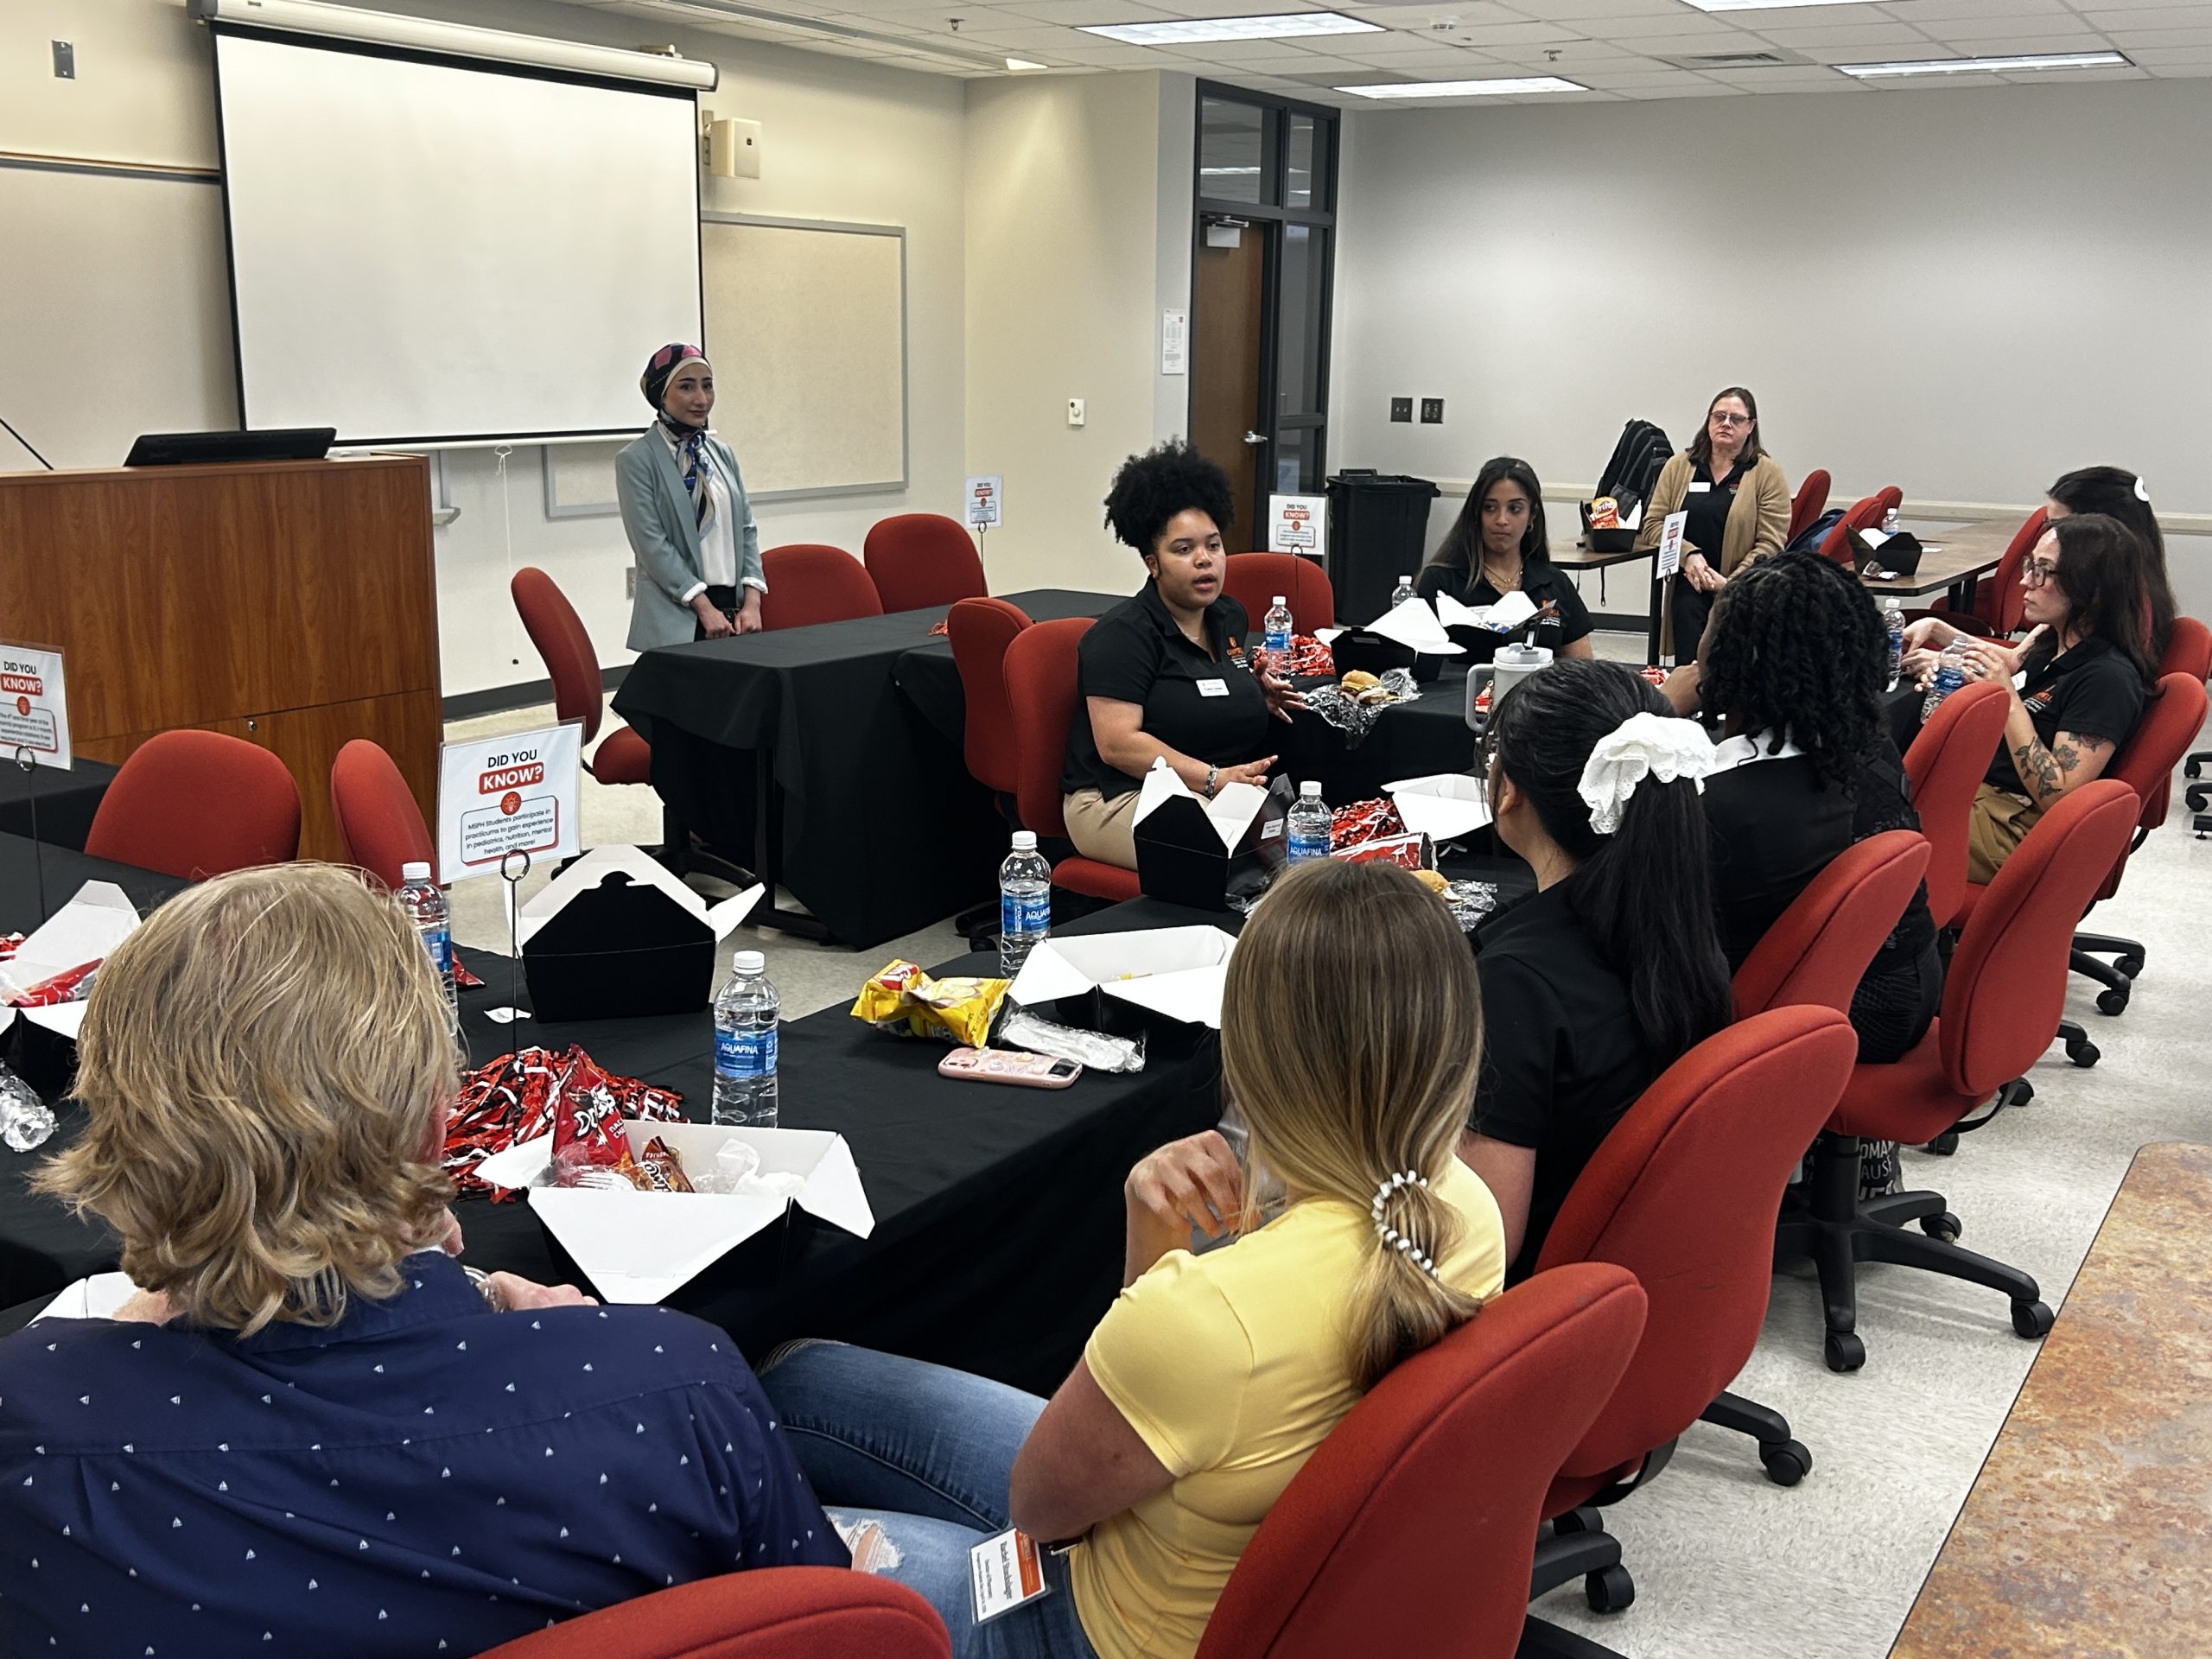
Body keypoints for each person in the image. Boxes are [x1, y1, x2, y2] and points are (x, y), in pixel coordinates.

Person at [0, 864, 844, 1656]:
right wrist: (594, 1353)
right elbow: (827, 1625)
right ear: (437, 1127)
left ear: (114, 1119)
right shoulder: (672, 1383)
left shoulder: (34, 1416)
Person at [759, 859, 1506, 1659]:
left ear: (1252, 1055)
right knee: (790, 1378)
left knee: (727, 1510)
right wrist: (1161, 1251)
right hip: (1215, 1565)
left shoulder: (1209, 1316)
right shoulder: (1464, 1207)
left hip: (1098, 1629)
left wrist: (1155, 1272)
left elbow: (1045, 1514)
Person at [1458, 659, 1734, 1281]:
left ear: (1509, 791)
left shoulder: (1515, 985)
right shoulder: (1682, 929)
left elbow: (1481, 1254)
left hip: (1542, 1308)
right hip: (1634, 1281)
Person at [1696, 553, 1942, 1071]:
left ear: (1735, 656)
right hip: (1908, 983)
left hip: (1834, 1020)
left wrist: (1658, 713)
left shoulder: (1728, 806)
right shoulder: (1866, 740)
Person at [1061, 442, 1304, 870]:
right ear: (1153, 563)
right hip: (1117, 797)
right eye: (1184, 549)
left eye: (1213, 546)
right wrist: (1212, 780)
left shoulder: (1228, 616)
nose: (1204, 561)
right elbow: (1118, 745)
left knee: (1303, 841)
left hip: (1213, 791)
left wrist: (1253, 695)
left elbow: (1209, 689)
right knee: (1239, 859)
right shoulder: (1122, 635)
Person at [1900, 512, 2154, 883]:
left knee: (1852, 821)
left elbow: (2060, 798)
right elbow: (2014, 673)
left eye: (2043, 571)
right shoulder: (2056, 641)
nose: (2024, 581)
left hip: (2010, 828)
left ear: (2092, 591)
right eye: (2029, 566)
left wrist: (2006, 697)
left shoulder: (2107, 679)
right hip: (1983, 795)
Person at [619, 341, 766, 647]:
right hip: (678, 615)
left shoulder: (722, 454)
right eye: (687, 387)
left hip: (735, 613)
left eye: (708, 386)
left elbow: (746, 531)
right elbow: (652, 546)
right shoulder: (636, 460)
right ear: (661, 395)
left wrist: (753, 602)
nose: (702, 399)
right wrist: (704, 607)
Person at [1634, 386, 1790, 665]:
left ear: (1751, 425)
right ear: (1708, 421)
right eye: (1719, 416)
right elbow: (1653, 525)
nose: (1726, 423)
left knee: (1728, 670)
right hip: (1690, 582)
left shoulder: (1767, 473)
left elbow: (1771, 543)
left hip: (1743, 587)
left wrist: (1729, 584)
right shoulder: (1679, 466)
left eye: (1736, 418)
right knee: (1690, 667)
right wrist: (1689, 555)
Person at [1414, 455, 1595, 664]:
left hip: (1536, 695)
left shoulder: (1555, 584)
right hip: (1459, 695)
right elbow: (1413, 672)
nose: (1501, 520)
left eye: (1515, 509)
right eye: (1489, 508)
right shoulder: (1439, 583)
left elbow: (1584, 671)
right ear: (1476, 514)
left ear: (1532, 515)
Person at [2046, 465, 2177, 662]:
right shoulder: (2133, 586)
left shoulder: (2102, 601)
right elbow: (2024, 659)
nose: (2049, 535)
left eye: (2058, 526)